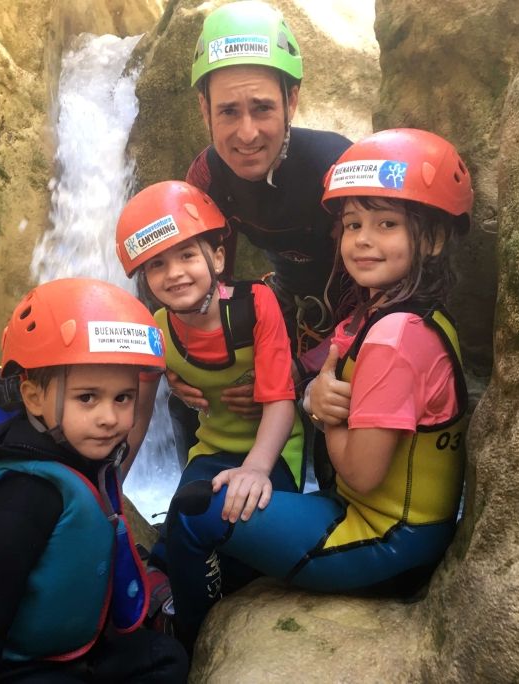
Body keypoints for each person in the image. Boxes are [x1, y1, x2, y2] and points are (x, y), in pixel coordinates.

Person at [162, 128, 474, 652]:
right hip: (394, 527)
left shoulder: (395, 339)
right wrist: (305, 394)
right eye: (352, 224)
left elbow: (361, 473)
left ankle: (188, 641)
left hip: (383, 542)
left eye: (387, 224)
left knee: (195, 512)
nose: (363, 239)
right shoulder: (396, 313)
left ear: (435, 238)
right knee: (229, 487)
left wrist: (326, 413)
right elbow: (308, 368)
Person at [0, 278, 188, 683]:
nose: (109, 418)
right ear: (33, 397)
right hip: (10, 664)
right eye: (87, 398)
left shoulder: (80, 458)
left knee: (165, 658)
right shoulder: (24, 497)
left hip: (64, 648)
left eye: (123, 398)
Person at [172, 0, 353, 482]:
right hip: (288, 306)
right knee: (194, 398)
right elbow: (205, 285)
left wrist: (301, 369)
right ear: (204, 109)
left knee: (335, 434)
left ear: (291, 102)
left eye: (264, 109)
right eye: (228, 111)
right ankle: (199, 513)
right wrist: (181, 362)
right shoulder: (208, 176)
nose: (246, 133)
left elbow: (383, 291)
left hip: (358, 318)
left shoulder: (334, 167)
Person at [115, 180, 305, 575]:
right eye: (157, 264)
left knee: (244, 544)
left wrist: (255, 468)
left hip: (277, 450)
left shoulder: (255, 304)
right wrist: (111, 484)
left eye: (187, 255)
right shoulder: (158, 330)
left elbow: (280, 400)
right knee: (178, 540)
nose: (175, 274)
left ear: (217, 259)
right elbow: (139, 415)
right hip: (212, 450)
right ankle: (173, 617)